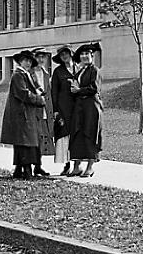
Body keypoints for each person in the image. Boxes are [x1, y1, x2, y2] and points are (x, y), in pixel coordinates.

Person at [0, 50, 46, 178]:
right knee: (25, 142)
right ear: (20, 61)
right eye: (25, 60)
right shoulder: (18, 75)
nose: (28, 63)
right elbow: (23, 93)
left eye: (30, 61)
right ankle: (25, 170)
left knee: (25, 141)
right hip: (21, 113)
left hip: (25, 112)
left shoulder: (25, 74)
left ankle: (20, 169)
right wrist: (39, 99)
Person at [68, 44, 103, 178]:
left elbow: (94, 87)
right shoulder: (80, 71)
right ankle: (76, 166)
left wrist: (79, 90)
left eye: (87, 54)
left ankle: (90, 166)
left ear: (92, 56)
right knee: (77, 133)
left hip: (91, 106)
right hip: (80, 106)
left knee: (90, 133)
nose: (84, 57)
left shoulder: (95, 70)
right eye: (82, 54)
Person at [51, 45, 77, 176]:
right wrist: (56, 110)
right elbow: (54, 92)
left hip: (77, 107)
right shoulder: (58, 72)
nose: (64, 56)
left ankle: (77, 163)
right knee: (64, 134)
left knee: (76, 134)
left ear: (71, 54)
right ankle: (67, 164)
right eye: (62, 55)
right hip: (63, 107)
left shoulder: (79, 68)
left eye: (66, 53)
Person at [31, 49, 56, 177]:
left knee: (42, 139)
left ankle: (38, 166)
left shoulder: (46, 75)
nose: (41, 60)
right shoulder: (29, 74)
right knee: (33, 139)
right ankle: (28, 166)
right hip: (34, 111)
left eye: (43, 57)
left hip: (45, 110)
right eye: (38, 57)